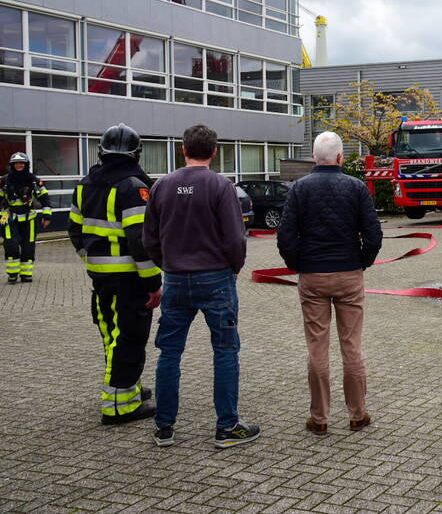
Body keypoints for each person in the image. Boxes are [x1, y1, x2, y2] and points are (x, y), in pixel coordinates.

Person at [143, 124, 255, 449]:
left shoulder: (162, 185)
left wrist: (167, 264)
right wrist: (233, 268)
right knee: (225, 350)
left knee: (169, 352)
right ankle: (226, 427)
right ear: (214, 151)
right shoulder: (221, 185)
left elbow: (149, 237)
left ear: (183, 149)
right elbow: (235, 237)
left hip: (176, 279)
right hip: (216, 278)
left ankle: (164, 428)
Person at [277, 131, 382, 435]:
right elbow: (374, 234)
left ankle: (319, 419)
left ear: (314, 157)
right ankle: (358, 414)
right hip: (349, 275)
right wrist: (361, 261)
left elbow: (285, 236)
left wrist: (298, 264)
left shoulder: (299, 189)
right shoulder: (357, 187)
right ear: (340, 157)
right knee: (352, 347)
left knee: (317, 348)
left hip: (312, 277)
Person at [68, 124, 161, 424]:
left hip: (100, 277)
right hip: (129, 278)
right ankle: (119, 406)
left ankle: (128, 388)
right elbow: (140, 242)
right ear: (136, 152)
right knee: (129, 338)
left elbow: (74, 230)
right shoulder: (134, 187)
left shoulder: (84, 184)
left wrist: (92, 260)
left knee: (112, 334)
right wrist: (153, 283)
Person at [2, 152, 51, 283]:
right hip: (9, 217)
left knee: (28, 246)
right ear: (12, 165)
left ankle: (26, 274)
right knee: (11, 244)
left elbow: (45, 198)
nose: (19, 165)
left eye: (21, 163)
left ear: (26, 165)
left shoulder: (34, 180)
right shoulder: (5, 180)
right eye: (16, 163)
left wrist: (47, 215)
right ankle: (12, 274)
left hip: (29, 219)